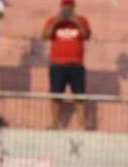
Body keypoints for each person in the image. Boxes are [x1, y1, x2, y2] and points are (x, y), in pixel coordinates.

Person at [44, 0, 91, 130]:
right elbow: (46, 35)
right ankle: (55, 123)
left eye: (69, 6)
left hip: (76, 65)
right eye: (65, 6)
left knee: (79, 96)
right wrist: (56, 21)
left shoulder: (81, 20)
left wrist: (76, 21)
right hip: (57, 65)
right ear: (61, 7)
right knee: (56, 96)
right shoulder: (53, 20)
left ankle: (81, 125)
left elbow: (86, 35)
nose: (67, 9)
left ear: (74, 7)